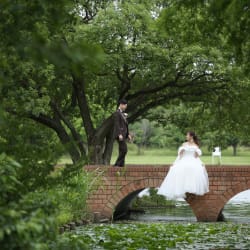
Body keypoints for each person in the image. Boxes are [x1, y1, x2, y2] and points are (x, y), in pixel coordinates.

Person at [157, 131, 209, 199]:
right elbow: (180, 155)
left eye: (187, 135)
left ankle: (190, 188)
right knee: (179, 169)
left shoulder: (196, 146)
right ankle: (182, 188)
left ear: (191, 136)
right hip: (184, 160)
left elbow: (196, 156)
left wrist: (199, 158)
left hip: (193, 160)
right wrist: (175, 162)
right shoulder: (184, 144)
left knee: (195, 169)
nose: (186, 136)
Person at [113, 99, 132, 167]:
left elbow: (125, 125)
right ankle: (117, 164)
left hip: (124, 135)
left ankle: (121, 164)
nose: (125, 107)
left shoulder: (122, 114)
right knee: (124, 149)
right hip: (120, 135)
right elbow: (117, 124)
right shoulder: (117, 113)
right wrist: (119, 134)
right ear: (121, 105)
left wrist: (128, 134)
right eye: (125, 106)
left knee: (121, 150)